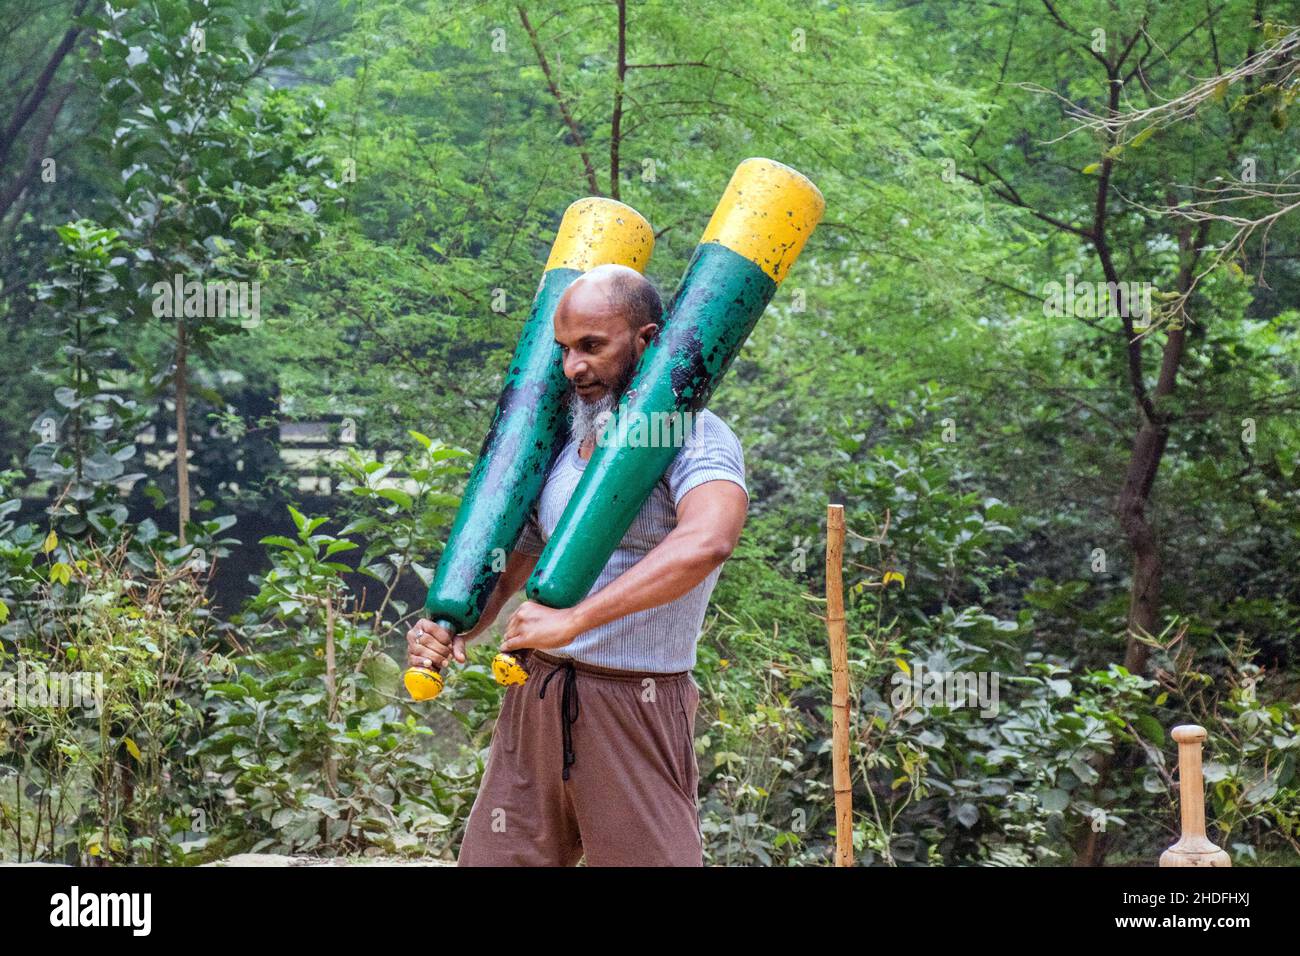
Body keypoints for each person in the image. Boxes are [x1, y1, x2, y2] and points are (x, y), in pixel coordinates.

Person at [406, 263, 748, 866]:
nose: (573, 368)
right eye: (564, 349)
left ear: (646, 340)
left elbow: (708, 541)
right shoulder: (563, 446)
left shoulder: (693, 434)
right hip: (533, 697)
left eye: (593, 346)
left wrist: (576, 619)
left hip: (635, 703)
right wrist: (451, 626)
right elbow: (512, 566)